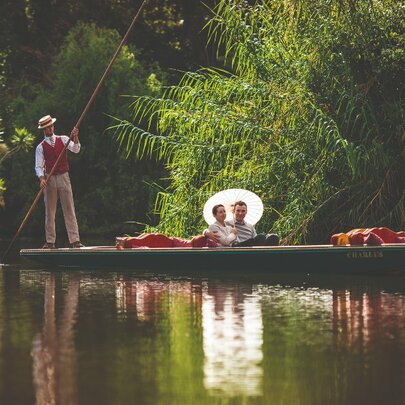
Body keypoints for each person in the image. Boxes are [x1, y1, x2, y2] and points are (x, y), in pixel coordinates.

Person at [35, 114, 84, 249]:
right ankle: (50, 242)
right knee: (50, 212)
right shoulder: (40, 147)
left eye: (50, 126)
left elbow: (76, 149)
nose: (49, 129)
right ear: (43, 130)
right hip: (49, 180)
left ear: (53, 126)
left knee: (69, 208)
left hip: (63, 177)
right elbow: (38, 167)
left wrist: (75, 136)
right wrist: (42, 178)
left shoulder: (63, 139)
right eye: (46, 128)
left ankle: (75, 241)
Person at [205, 200, 279, 246]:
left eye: (243, 211)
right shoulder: (228, 224)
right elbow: (216, 227)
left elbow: (256, 239)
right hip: (239, 247)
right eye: (238, 211)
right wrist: (206, 232)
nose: (240, 213)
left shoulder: (250, 226)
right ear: (234, 211)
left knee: (273, 238)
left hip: (252, 248)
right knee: (261, 237)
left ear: (246, 212)